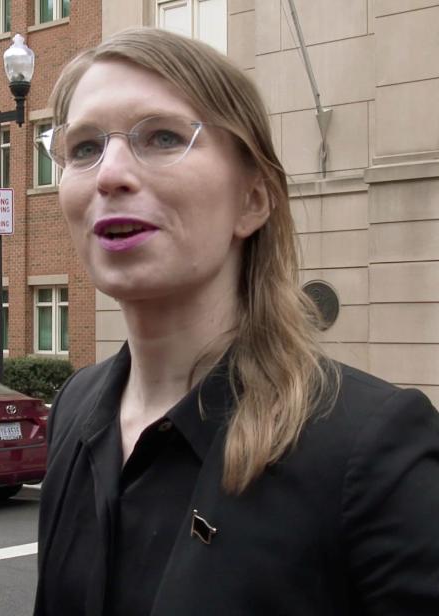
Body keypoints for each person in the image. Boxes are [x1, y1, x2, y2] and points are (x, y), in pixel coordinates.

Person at [33, 27, 439, 616]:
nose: (109, 174)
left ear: (252, 199)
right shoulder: (76, 407)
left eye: (163, 136)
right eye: (84, 147)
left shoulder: (375, 449)